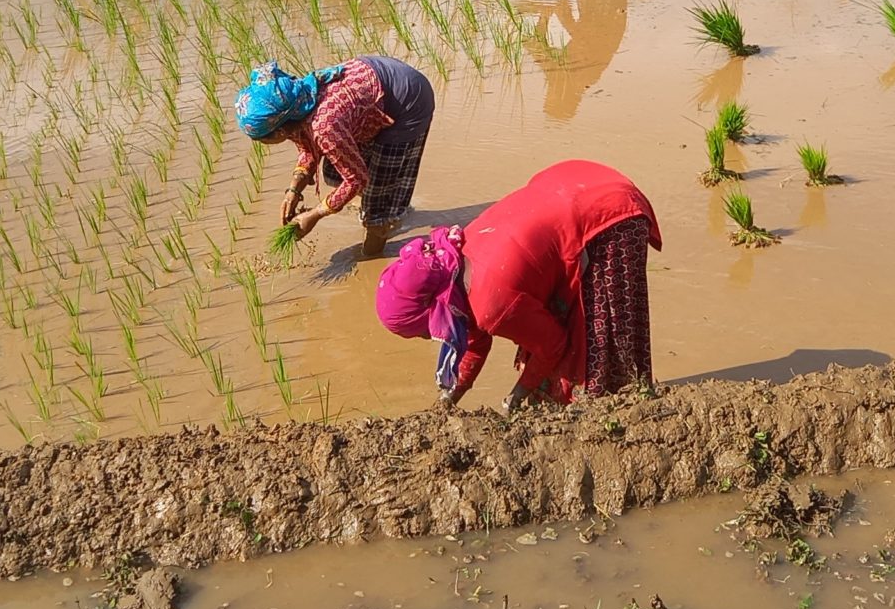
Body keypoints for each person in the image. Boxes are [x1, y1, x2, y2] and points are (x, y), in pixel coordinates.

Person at [374, 158, 662, 409]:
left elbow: (552, 344)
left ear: (434, 307)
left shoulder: (490, 302)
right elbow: (475, 341)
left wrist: (517, 395)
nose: (429, 338)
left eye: (423, 332)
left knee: (600, 336)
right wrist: (449, 398)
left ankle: (627, 403)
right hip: (573, 183)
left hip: (607, 216)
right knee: (551, 344)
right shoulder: (455, 263)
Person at [234, 54, 436, 259]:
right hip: (380, 89)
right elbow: (308, 149)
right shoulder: (295, 106)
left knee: (377, 205)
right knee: (333, 172)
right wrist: (294, 189)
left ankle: (372, 251)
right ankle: (387, 201)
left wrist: (315, 215)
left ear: (279, 132)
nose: (262, 145)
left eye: (261, 140)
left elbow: (356, 179)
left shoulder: (324, 127)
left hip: (409, 102)